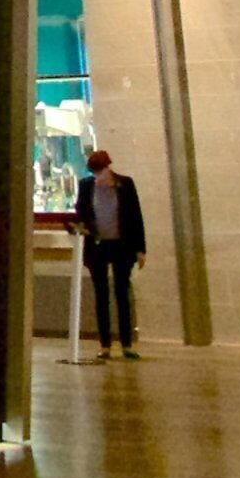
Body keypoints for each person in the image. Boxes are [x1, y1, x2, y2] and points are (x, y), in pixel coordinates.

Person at [79, 148, 148, 360]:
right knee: (101, 295)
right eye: (95, 172)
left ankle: (126, 343)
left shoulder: (125, 184)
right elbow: (81, 212)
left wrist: (140, 249)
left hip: (122, 245)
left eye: (100, 171)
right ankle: (105, 344)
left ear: (108, 168)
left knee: (122, 293)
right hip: (98, 246)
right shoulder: (86, 186)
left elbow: (135, 216)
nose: (98, 176)